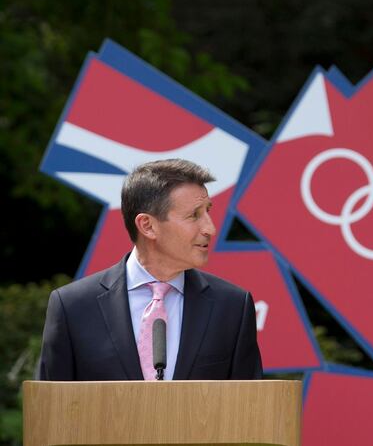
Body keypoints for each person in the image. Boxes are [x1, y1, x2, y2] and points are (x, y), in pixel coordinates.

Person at [39, 158, 262, 381]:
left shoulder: (233, 307)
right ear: (147, 226)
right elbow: (51, 406)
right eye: (194, 215)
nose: (210, 228)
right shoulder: (72, 307)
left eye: (208, 211)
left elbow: (250, 406)